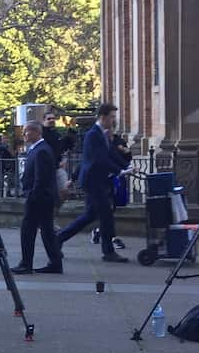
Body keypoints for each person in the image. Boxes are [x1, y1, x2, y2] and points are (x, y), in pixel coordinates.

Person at [57, 103, 130, 263]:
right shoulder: (93, 135)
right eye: (112, 117)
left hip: (99, 181)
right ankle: (108, 252)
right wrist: (119, 171)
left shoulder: (102, 134)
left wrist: (126, 166)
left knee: (91, 215)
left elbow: (110, 154)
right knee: (105, 215)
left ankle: (59, 238)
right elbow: (98, 159)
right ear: (103, 117)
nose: (114, 120)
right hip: (93, 181)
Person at [11, 122, 62, 275]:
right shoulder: (39, 149)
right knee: (47, 231)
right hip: (43, 197)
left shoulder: (41, 151)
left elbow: (41, 178)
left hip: (39, 198)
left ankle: (26, 263)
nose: (24, 135)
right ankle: (55, 263)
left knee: (28, 230)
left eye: (26, 132)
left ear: (35, 132)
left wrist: (32, 195)